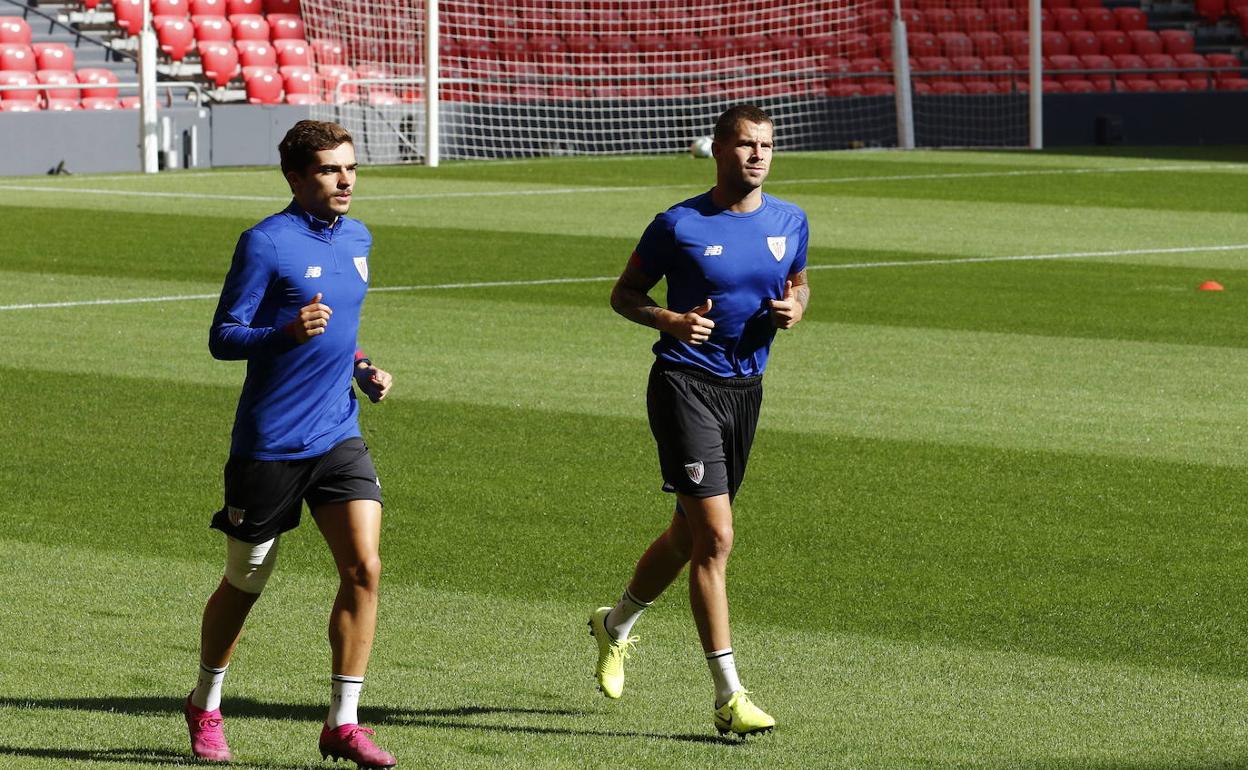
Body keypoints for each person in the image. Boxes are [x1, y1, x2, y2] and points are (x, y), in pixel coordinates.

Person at [589, 104, 810, 738]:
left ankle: (615, 624)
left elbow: (799, 283)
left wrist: (796, 307)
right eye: (745, 144)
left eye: (766, 145)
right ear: (717, 149)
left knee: (687, 536)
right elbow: (624, 294)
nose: (758, 155)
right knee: (716, 537)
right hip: (684, 385)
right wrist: (670, 320)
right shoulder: (678, 224)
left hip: (746, 391)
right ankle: (728, 696)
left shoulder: (790, 221)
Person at [184, 120, 397, 768]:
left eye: (351, 168)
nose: (346, 180)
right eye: (331, 170)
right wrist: (285, 333)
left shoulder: (358, 237)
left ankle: (342, 722)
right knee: (246, 579)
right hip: (271, 443)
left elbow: (341, 329)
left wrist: (362, 368)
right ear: (296, 178)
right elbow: (224, 336)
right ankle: (204, 703)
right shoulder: (266, 243)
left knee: (364, 569)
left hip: (338, 433)